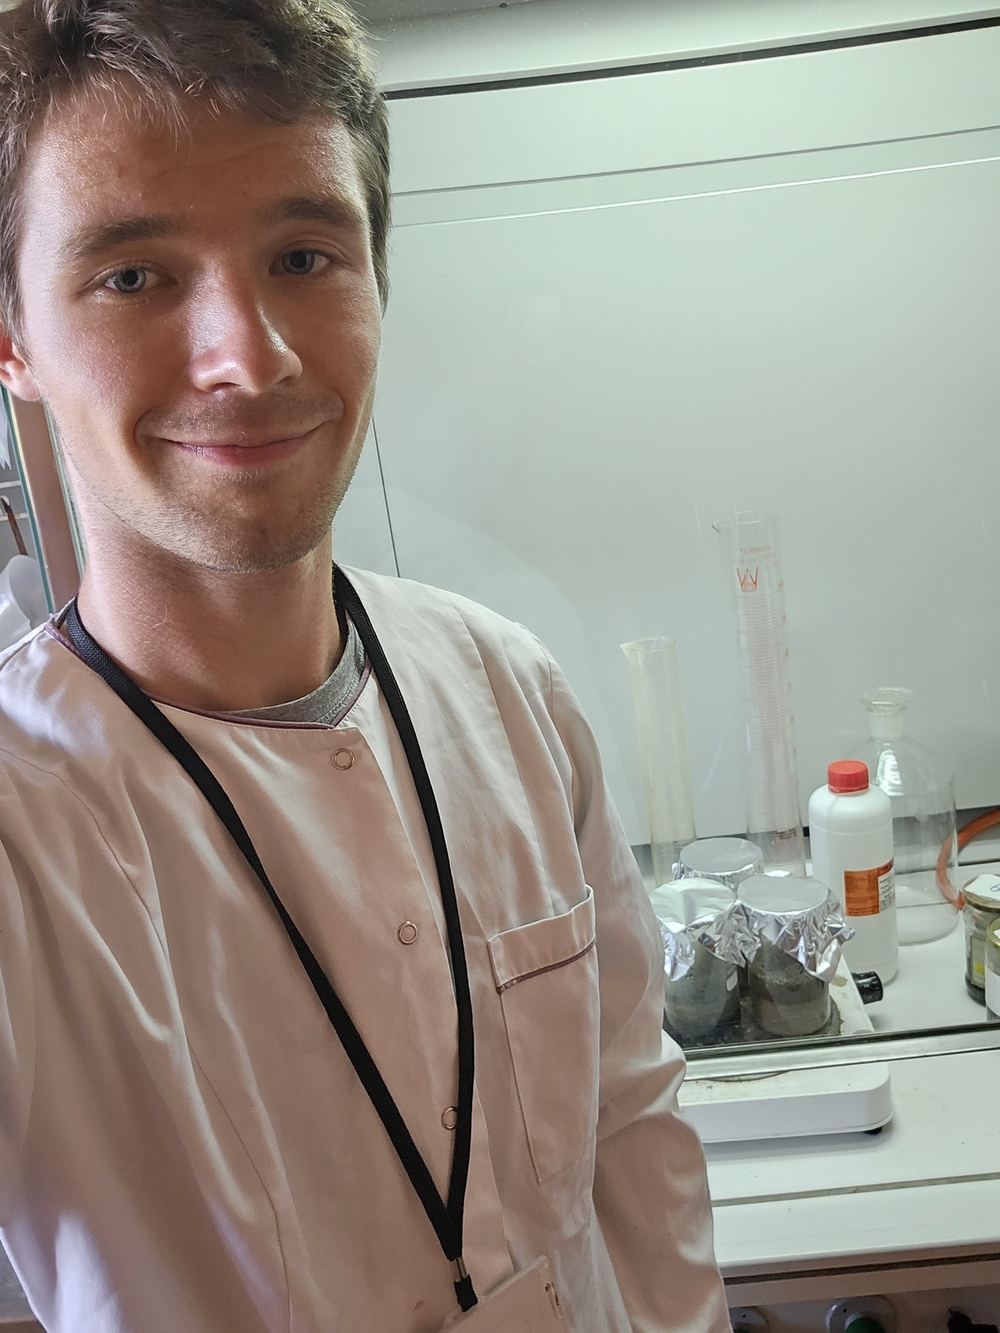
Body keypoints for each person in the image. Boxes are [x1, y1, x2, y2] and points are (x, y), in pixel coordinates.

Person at [0, 1, 729, 1329]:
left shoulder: (508, 690)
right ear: (12, 341)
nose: (249, 354)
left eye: (303, 253)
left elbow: (630, 1112)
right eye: (135, 274)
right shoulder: (22, 824)